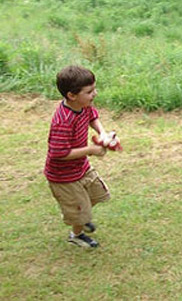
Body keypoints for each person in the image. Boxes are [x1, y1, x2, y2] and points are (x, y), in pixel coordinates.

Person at [45, 65, 115, 248]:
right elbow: (59, 153)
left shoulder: (84, 106)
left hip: (81, 168)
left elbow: (93, 117)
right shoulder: (63, 121)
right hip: (64, 177)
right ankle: (76, 234)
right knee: (80, 209)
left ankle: (78, 215)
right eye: (89, 91)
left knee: (97, 193)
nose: (95, 94)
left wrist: (103, 134)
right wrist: (91, 150)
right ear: (72, 95)